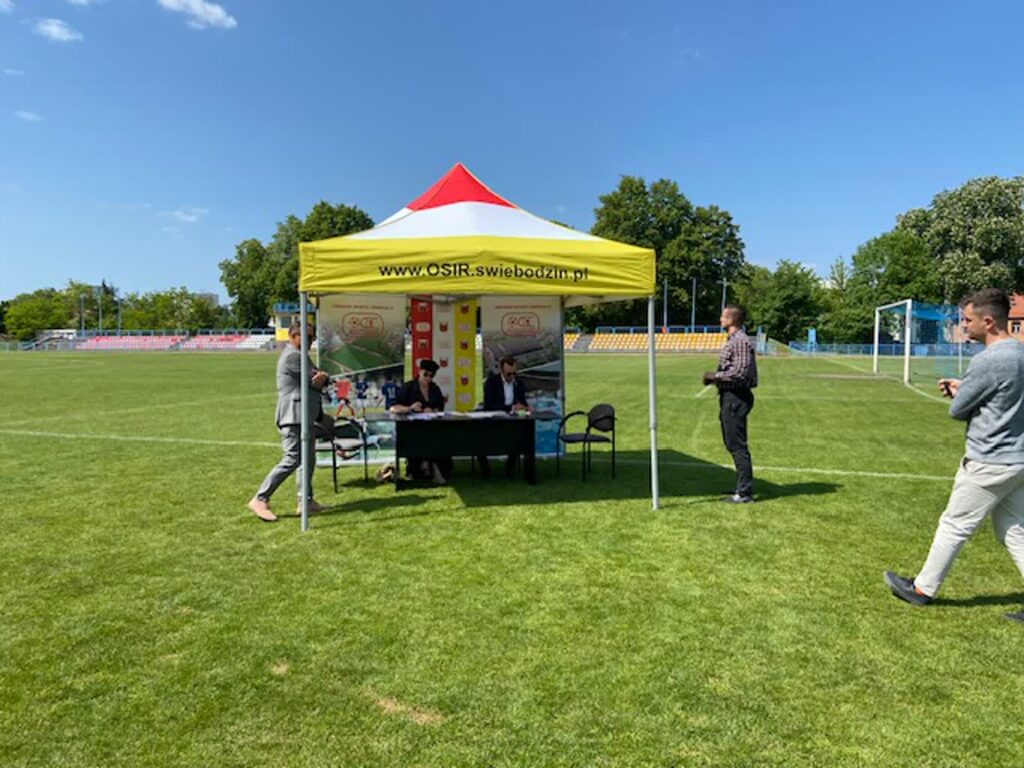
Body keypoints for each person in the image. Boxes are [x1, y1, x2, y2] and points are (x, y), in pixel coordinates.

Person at [884, 288, 1024, 623]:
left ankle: (922, 589)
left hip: (989, 459)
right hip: (1018, 460)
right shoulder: (1020, 353)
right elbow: (1002, 396)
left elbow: (959, 411)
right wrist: (968, 387)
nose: (964, 326)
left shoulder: (989, 359)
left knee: (954, 524)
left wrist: (957, 392)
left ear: (988, 322)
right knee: (1015, 529)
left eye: (968, 320)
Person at [248, 320, 330, 523]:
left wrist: (323, 377)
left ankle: (306, 501)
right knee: (292, 458)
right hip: (293, 416)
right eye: (307, 337)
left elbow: (320, 379)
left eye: (313, 337)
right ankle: (260, 498)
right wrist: (324, 378)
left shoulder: (302, 356)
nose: (311, 341)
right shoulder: (293, 357)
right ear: (293, 337)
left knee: (308, 459)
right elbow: (316, 380)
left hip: (305, 415)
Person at [703, 304, 758, 503]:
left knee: (737, 444)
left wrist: (714, 377)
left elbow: (740, 372)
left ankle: (744, 492)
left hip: (737, 396)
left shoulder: (740, 341)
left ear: (732, 319)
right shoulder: (734, 340)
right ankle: (742, 486)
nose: (720, 319)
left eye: (723, 316)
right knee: (732, 443)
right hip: (730, 396)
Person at [390, 358, 451, 484]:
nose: (428, 378)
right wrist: (410, 408)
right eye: (426, 374)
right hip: (412, 428)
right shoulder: (408, 387)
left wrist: (432, 410)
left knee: (439, 437)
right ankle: (429, 467)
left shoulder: (435, 389)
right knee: (426, 439)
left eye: (431, 376)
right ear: (420, 371)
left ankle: (430, 465)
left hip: (431, 427)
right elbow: (394, 408)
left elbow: (440, 408)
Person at [479, 355, 529, 478]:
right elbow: (490, 404)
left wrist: (526, 407)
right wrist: (511, 408)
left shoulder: (519, 383)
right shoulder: (491, 382)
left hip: (512, 420)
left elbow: (522, 401)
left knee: (519, 438)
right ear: (502, 371)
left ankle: (510, 469)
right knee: (479, 441)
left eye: (514, 373)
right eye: (509, 374)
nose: (512, 376)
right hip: (492, 420)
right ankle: (486, 470)